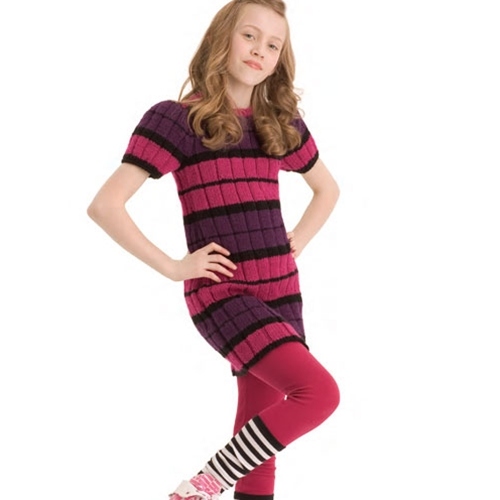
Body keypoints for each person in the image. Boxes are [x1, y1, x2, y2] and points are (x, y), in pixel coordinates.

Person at [87, 0, 341, 498]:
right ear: (222, 37)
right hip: (224, 294)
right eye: (250, 36)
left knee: (259, 431)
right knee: (318, 394)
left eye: (273, 45)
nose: (260, 50)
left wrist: (299, 240)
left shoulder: (280, 123)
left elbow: (327, 189)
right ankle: (204, 485)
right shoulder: (177, 120)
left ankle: (226, 485)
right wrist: (174, 267)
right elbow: (106, 205)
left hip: (282, 291)